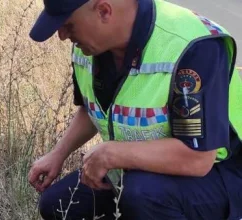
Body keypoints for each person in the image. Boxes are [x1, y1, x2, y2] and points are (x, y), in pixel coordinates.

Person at [27, 0, 242, 219]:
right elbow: (93, 108)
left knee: (141, 194)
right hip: (140, 171)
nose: (62, 35)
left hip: (223, 176)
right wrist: (58, 154)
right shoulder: (91, 46)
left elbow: (198, 158)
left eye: (68, 25)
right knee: (58, 205)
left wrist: (111, 154)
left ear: (103, 10)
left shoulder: (193, 47)